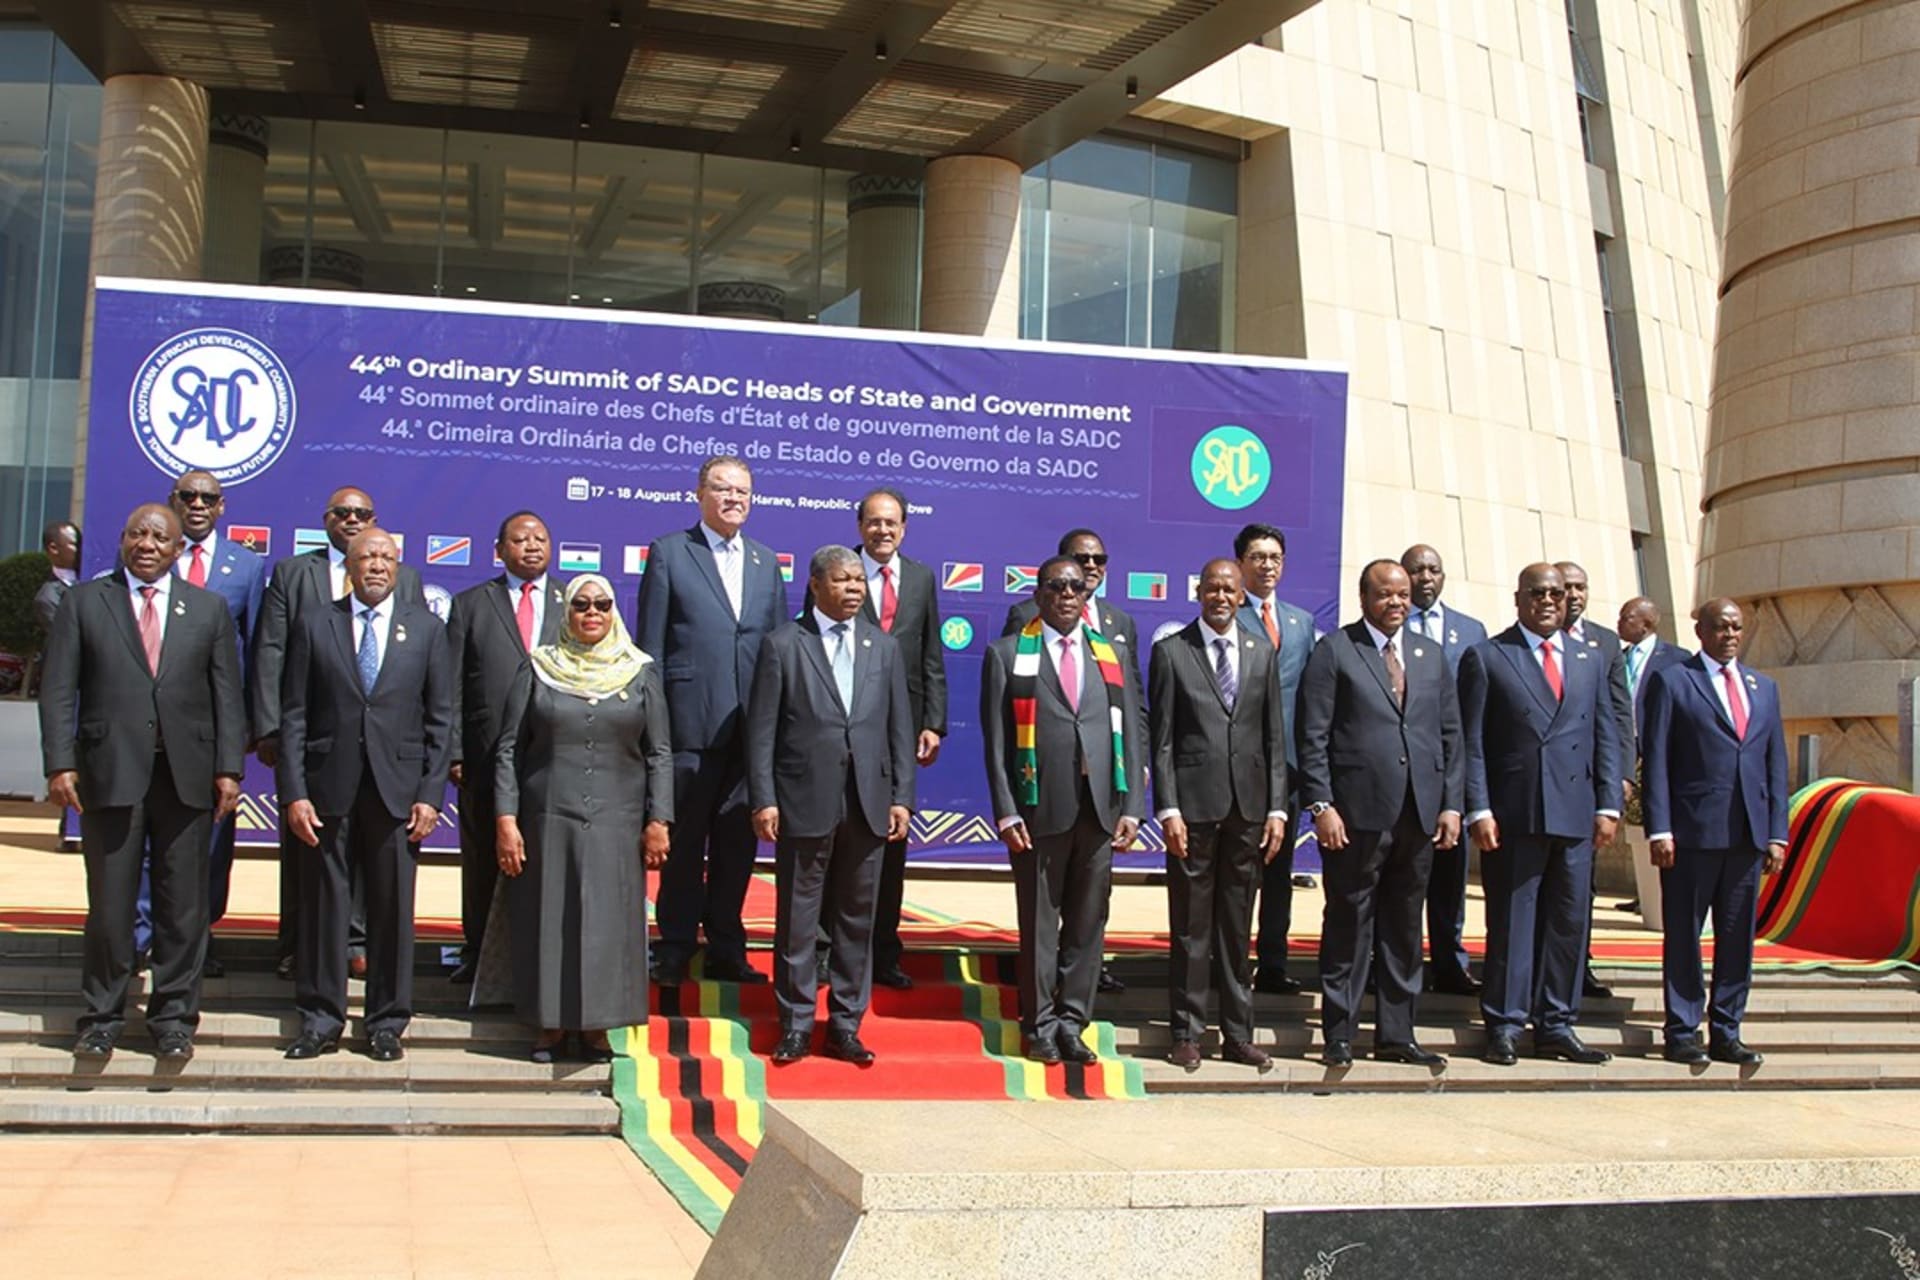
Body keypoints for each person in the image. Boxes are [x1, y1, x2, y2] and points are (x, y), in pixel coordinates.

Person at [38, 504, 244, 1060]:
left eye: (160, 536)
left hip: (188, 779)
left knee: (183, 907)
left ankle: (174, 1018)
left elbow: (227, 694)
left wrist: (229, 768)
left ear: (179, 549)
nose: (147, 543)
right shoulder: (85, 603)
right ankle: (102, 1015)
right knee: (110, 903)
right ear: (123, 542)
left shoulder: (208, 609)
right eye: (136, 534)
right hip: (110, 774)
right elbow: (58, 690)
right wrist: (60, 763)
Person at [278, 529, 450, 1063]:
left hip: (398, 792)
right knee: (325, 908)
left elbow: (442, 720)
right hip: (328, 787)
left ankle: (386, 1022)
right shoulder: (315, 623)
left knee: (392, 909)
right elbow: (294, 716)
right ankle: (321, 1018)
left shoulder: (425, 629)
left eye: (385, 558)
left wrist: (429, 793)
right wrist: (294, 792)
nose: (376, 565)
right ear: (348, 567)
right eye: (366, 557)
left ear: (398, 567)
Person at [493, 574, 671, 1063]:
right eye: (582, 605)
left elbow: (659, 752)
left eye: (602, 604)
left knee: (608, 921)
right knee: (550, 916)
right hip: (549, 813)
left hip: (619, 819)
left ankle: (597, 1029)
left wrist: (660, 819)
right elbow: (508, 749)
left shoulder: (639, 673)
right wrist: (506, 819)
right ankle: (548, 1025)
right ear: (566, 613)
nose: (592, 613)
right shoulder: (538, 668)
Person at [750, 546, 915, 1065]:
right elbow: (762, 733)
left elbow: (899, 728)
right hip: (803, 800)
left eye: (858, 582)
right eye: (842, 581)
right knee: (797, 921)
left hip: (868, 803)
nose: (853, 590)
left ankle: (846, 1025)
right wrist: (765, 798)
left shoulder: (882, 647)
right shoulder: (783, 645)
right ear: (816, 584)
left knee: (856, 921)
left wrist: (901, 798)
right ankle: (796, 1024)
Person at [1297, 560, 1464, 1068]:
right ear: (1364, 597)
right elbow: (1313, 735)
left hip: (1418, 814)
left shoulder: (1430, 655)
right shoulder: (1336, 651)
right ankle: (1339, 1035)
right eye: (1385, 595)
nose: (1396, 603)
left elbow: (1451, 736)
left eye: (1403, 594)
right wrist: (1321, 805)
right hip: (1355, 817)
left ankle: (1397, 1033)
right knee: (1349, 924)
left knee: (1404, 928)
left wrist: (1452, 804)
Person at [253, 487, 424, 979]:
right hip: (313, 741)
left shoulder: (405, 578)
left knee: (372, 856)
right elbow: (272, 652)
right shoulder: (293, 573)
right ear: (326, 520)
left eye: (363, 513)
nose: (352, 519)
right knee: (308, 853)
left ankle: (358, 942)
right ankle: (298, 944)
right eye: (342, 512)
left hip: (381, 749)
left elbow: (411, 666)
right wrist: (270, 727)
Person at [982, 555, 1143, 1064]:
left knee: (1087, 924)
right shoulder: (1007, 655)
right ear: (1040, 594)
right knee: (1038, 925)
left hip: (1100, 811)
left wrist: (1133, 808)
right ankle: (1039, 1024)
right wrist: (1006, 811)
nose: (1069, 595)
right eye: (1058, 586)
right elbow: (996, 744)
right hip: (1037, 811)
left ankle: (1074, 1021)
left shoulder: (1109, 654)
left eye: (1077, 586)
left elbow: (1132, 737)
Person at [1459, 563, 1619, 1067]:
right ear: (1519, 598)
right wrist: (1477, 807)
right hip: (1514, 812)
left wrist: (1609, 803)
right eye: (1538, 592)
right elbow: (1473, 742)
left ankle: (1556, 1023)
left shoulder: (1588, 659)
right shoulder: (1487, 656)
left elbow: (1605, 734)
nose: (1549, 600)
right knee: (1512, 922)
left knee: (1569, 923)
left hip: (1574, 812)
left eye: (1557, 592)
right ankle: (1505, 1023)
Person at [634, 456, 786, 985]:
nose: (733, 499)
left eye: (743, 492)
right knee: (684, 844)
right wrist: (654, 724)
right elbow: (649, 647)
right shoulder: (670, 553)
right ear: (699, 494)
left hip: (749, 734)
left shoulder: (767, 563)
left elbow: (778, 651)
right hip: (688, 728)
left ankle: (726, 944)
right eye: (722, 489)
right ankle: (674, 945)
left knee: (735, 847)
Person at [799, 488, 945, 990]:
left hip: (894, 730)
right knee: (828, 842)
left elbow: (930, 657)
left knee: (887, 843)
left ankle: (883, 952)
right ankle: (821, 950)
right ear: (860, 526)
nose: (884, 531)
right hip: (839, 724)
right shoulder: (834, 573)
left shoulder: (922, 578)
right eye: (875, 523)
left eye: (893, 523)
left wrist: (933, 721)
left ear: (904, 528)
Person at [1148, 559, 1287, 1072]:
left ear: (1241, 593)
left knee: (1235, 926)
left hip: (1248, 810)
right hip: (1193, 810)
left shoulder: (1261, 651)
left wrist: (1276, 806)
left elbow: (1274, 736)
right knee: (1190, 926)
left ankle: (1238, 1034)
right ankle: (1187, 1032)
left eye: (1230, 589)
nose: (1222, 596)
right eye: (1213, 588)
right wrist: (1168, 809)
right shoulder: (1171, 652)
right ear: (1198, 591)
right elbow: (1160, 741)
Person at [130, 470, 264, 980]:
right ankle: (142, 938)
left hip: (212, 731)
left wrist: (251, 726)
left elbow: (254, 650)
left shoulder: (246, 567)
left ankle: (198, 938)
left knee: (209, 844)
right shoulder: (149, 560)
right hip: (148, 726)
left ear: (222, 506)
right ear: (173, 501)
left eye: (208, 497)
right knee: (144, 838)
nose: (198, 504)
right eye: (188, 496)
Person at [1642, 599, 1788, 1067]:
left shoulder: (1763, 688)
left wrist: (1777, 834)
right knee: (1684, 934)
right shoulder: (1674, 681)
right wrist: (1658, 827)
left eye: (1736, 627)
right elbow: (1658, 761)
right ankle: (1682, 1030)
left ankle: (1727, 1029)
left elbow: (1775, 766)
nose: (1729, 634)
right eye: (1720, 626)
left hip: (1747, 835)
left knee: (1737, 938)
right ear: (1700, 630)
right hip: (1691, 834)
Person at [446, 511, 565, 983]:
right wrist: (454, 750)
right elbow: (451, 683)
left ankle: (538, 958)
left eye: (540, 538)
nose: (531, 546)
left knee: (545, 858)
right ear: (500, 550)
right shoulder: (471, 604)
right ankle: (478, 953)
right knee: (481, 858)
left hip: (553, 756)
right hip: (484, 753)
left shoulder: (572, 603)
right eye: (520, 539)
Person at [1400, 543, 1486, 996]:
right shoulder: (1386, 628)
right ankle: (1400, 963)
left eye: (1434, 569)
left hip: (1450, 771)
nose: (1425, 578)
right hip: (1400, 773)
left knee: (1450, 880)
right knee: (1402, 879)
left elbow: (1475, 713)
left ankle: (1451, 963)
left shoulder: (1472, 632)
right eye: (1417, 570)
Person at [1234, 522, 1316, 995]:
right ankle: (1233, 963)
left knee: (1280, 872)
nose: (1267, 566)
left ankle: (1274, 963)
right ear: (1242, 563)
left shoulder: (1301, 623)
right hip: (1242, 765)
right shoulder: (1225, 612)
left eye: (1275, 558)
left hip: (1289, 770)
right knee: (1241, 873)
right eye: (1258, 557)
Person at [1556, 561, 1634, 1001]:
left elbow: (1619, 715)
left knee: (1580, 886)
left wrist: (1621, 774)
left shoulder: (1605, 642)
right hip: (1544, 785)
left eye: (1580, 587)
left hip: (1586, 783)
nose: (1573, 595)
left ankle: (1577, 967)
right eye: (1566, 587)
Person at [1612, 595, 1689, 913]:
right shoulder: (1619, 658)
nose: (1619, 622)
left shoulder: (1676, 659)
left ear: (1646, 623)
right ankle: (1642, 891)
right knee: (1631, 825)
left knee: (1655, 820)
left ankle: (1660, 893)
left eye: (1626, 616)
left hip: (1657, 751)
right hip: (1622, 750)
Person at [33, 520, 81, 635]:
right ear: (54, 548)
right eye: (75, 544)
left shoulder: (95, 578)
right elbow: (67, 637)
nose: (82, 549)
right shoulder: (48, 598)